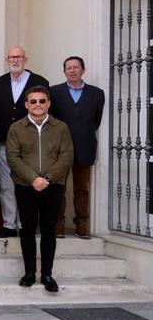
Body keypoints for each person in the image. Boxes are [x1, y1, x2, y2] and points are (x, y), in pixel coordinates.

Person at [7, 85, 74, 293]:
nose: (38, 105)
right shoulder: (16, 128)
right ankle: (29, 273)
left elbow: (67, 155)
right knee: (27, 229)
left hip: (53, 186)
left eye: (42, 101)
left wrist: (47, 178)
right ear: (26, 104)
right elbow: (13, 157)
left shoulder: (60, 127)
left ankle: (47, 274)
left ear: (48, 103)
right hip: (25, 185)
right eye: (33, 101)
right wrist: (33, 178)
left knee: (48, 230)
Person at [0, 46, 49, 237]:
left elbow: (46, 111)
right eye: (12, 57)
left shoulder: (40, 81)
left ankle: (25, 224)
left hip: (31, 146)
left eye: (19, 57)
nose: (16, 60)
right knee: (6, 186)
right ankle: (8, 224)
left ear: (26, 59)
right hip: (5, 145)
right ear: (7, 60)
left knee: (28, 185)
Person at [49, 56, 105, 238]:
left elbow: (95, 121)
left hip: (85, 147)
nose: (72, 70)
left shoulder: (97, 94)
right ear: (64, 71)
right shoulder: (54, 92)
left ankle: (82, 223)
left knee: (82, 188)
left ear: (83, 69)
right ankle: (58, 223)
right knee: (58, 188)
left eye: (76, 67)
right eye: (68, 68)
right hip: (59, 149)